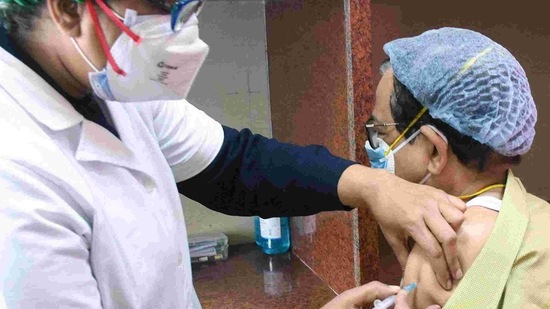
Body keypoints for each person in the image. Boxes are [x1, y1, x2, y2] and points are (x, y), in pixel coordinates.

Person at [0, 0, 466, 307]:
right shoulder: (17, 183)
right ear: (65, 9)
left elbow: (235, 165)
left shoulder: (115, 88)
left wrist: (373, 185)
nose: (183, 30)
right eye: (163, 7)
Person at [364, 27, 550, 308]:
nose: (375, 146)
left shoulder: (438, 255)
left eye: (382, 132)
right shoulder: (541, 220)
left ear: (435, 151)